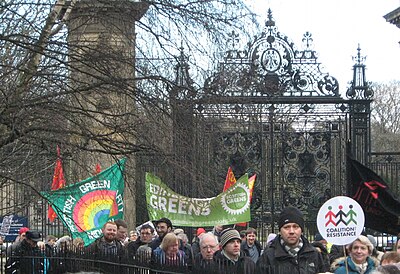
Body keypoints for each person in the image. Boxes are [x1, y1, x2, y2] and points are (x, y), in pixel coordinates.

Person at [256, 206, 325, 274]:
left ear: (301, 230)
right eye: (287, 227)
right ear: (280, 231)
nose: (291, 231)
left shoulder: (314, 254)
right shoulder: (267, 257)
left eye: (295, 227)